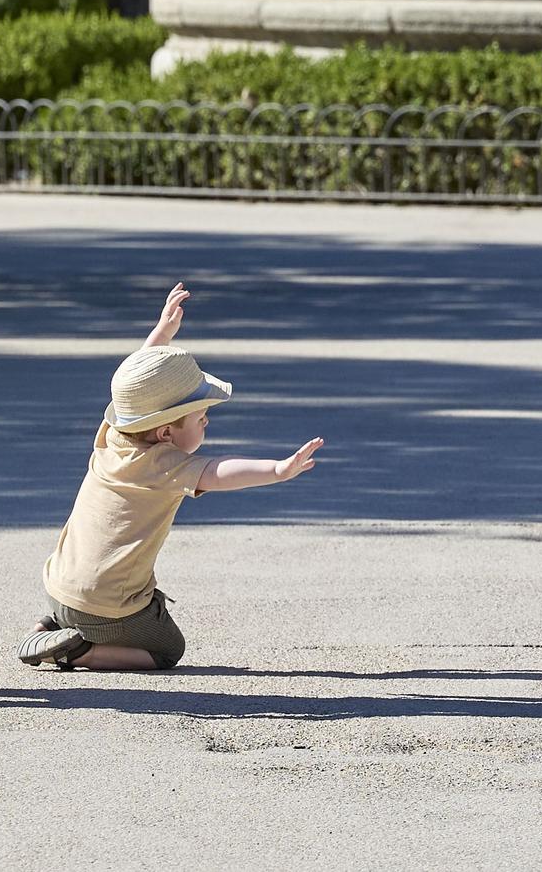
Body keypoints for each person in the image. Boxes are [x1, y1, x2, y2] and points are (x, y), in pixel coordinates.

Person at [19, 284, 324, 671]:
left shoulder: (113, 435)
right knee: (167, 649)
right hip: (103, 608)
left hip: (56, 587)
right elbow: (219, 472)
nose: (207, 420)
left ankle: (49, 626)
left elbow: (135, 384)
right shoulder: (164, 465)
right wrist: (279, 470)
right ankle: (78, 650)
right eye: (200, 417)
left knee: (90, 601)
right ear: (165, 433)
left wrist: (162, 333)